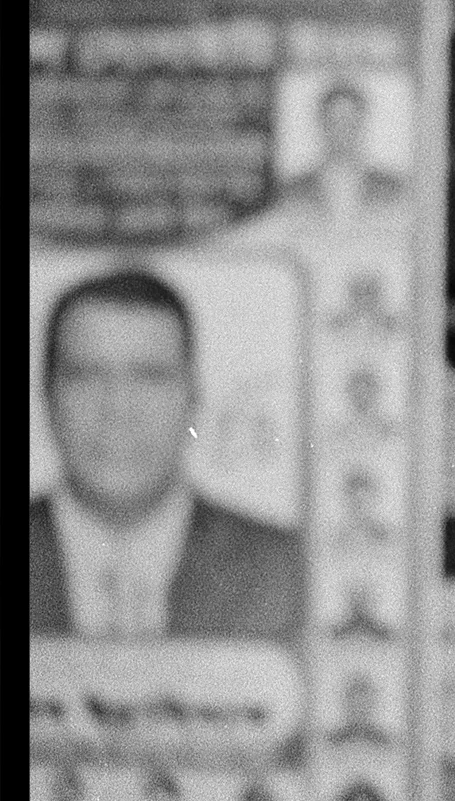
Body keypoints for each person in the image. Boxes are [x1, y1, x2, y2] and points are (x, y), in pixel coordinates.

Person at [30, 268, 304, 641]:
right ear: (47, 398)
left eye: (150, 377)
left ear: (193, 399)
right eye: (87, 375)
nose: (118, 409)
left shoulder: (290, 570)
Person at [277, 80, 406, 226]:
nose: (342, 132)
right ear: (322, 125)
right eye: (335, 122)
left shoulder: (390, 188)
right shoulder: (295, 190)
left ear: (361, 124)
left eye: (349, 123)